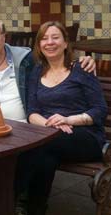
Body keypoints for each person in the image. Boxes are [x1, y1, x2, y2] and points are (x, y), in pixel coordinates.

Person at [20, 21, 107, 215]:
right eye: (44, 38)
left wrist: (67, 120)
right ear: (39, 45)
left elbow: (100, 110)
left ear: (66, 43)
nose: (49, 42)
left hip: (86, 136)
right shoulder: (37, 71)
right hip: (52, 136)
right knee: (44, 158)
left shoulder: (82, 69)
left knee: (35, 147)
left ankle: (11, 198)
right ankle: (34, 209)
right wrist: (51, 125)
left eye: (55, 37)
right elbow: (32, 112)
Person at [0, 17, 95, 123]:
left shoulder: (26, 60)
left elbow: (55, 61)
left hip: (24, 127)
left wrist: (81, 61)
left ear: (4, 37)